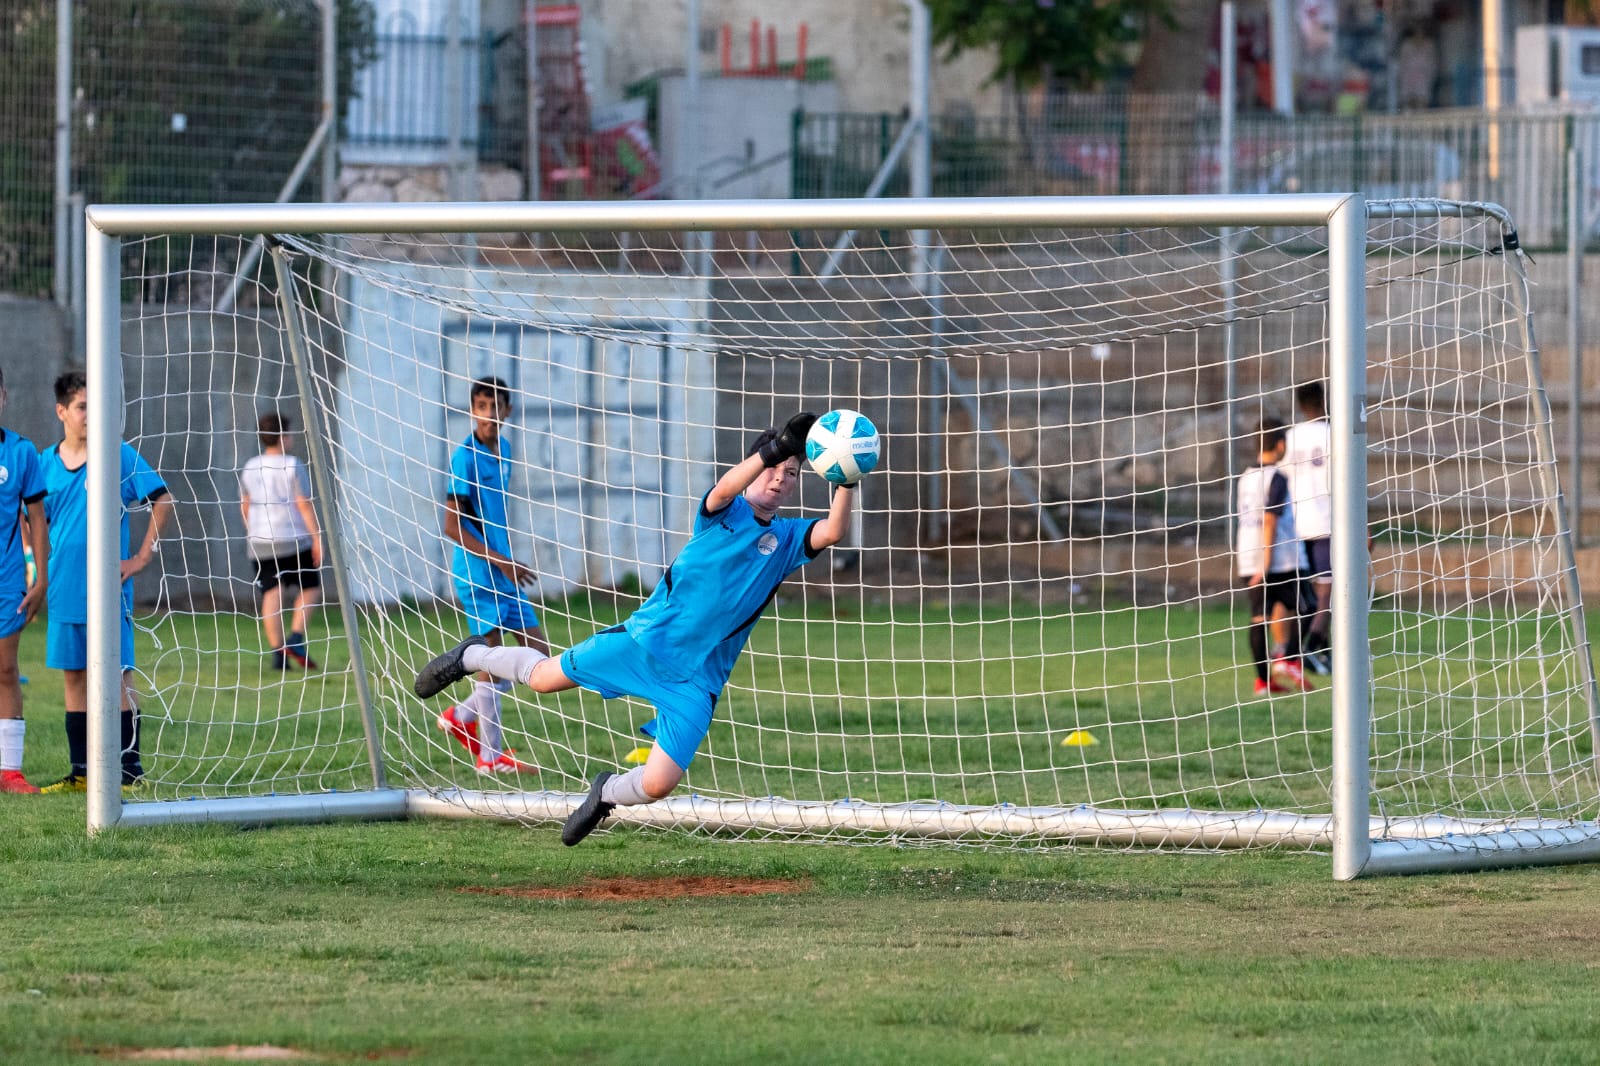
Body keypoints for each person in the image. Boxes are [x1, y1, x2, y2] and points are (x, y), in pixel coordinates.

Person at [414, 411, 854, 846]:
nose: (780, 479)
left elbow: (834, 529)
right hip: (643, 643)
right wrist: (775, 448)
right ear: (753, 467)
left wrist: (847, 474)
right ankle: (470, 656)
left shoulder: (789, 538)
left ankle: (603, 794)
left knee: (660, 783)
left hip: (697, 681)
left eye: (792, 473)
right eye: (773, 469)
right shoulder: (725, 511)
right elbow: (725, 486)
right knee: (546, 679)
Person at [39, 370, 174, 793]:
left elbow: (163, 499)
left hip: (108, 591)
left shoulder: (118, 455)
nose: (89, 415)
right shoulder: (45, 463)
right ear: (62, 411)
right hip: (63, 588)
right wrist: (33, 562)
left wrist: (140, 556)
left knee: (117, 675)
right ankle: (81, 773)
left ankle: (130, 771)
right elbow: (33, 521)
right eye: (82, 407)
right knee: (74, 677)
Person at [437, 376, 546, 776]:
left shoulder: (505, 449)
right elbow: (452, 525)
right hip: (480, 573)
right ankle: (490, 756)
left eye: (494, 406)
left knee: (540, 657)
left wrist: (506, 561)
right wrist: (499, 561)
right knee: (494, 659)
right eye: (480, 406)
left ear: (507, 411)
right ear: (472, 410)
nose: (487, 414)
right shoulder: (464, 457)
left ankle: (460, 716)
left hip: (505, 570)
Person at [240, 411, 324, 671]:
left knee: (271, 593)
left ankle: (278, 654)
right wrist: (317, 537)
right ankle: (296, 638)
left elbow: (246, 504)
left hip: (260, 539)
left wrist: (252, 530)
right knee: (310, 588)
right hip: (293, 538)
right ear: (284, 437)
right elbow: (303, 504)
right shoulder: (292, 464)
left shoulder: (250, 466)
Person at [1237, 418, 1313, 696]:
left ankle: (1263, 682)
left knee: (1260, 617)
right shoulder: (1277, 478)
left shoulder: (1245, 476)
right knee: (1311, 607)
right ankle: (1289, 659)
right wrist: (1266, 564)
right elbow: (1269, 520)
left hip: (1247, 557)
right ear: (1280, 445)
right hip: (1280, 560)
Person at [0, 368, 50, 793]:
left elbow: (36, 518)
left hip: (7, 581)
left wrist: (42, 579)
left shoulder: (21, 452)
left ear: (3, 396)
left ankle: (10, 771)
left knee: (5, 669)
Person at [1282, 381, 1332, 674]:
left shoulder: (1289, 438)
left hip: (1295, 526)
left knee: (1298, 594)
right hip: (1326, 522)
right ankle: (1310, 645)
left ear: (1300, 405)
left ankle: (1311, 649)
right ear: (1323, 401)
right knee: (1327, 592)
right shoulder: (1332, 435)